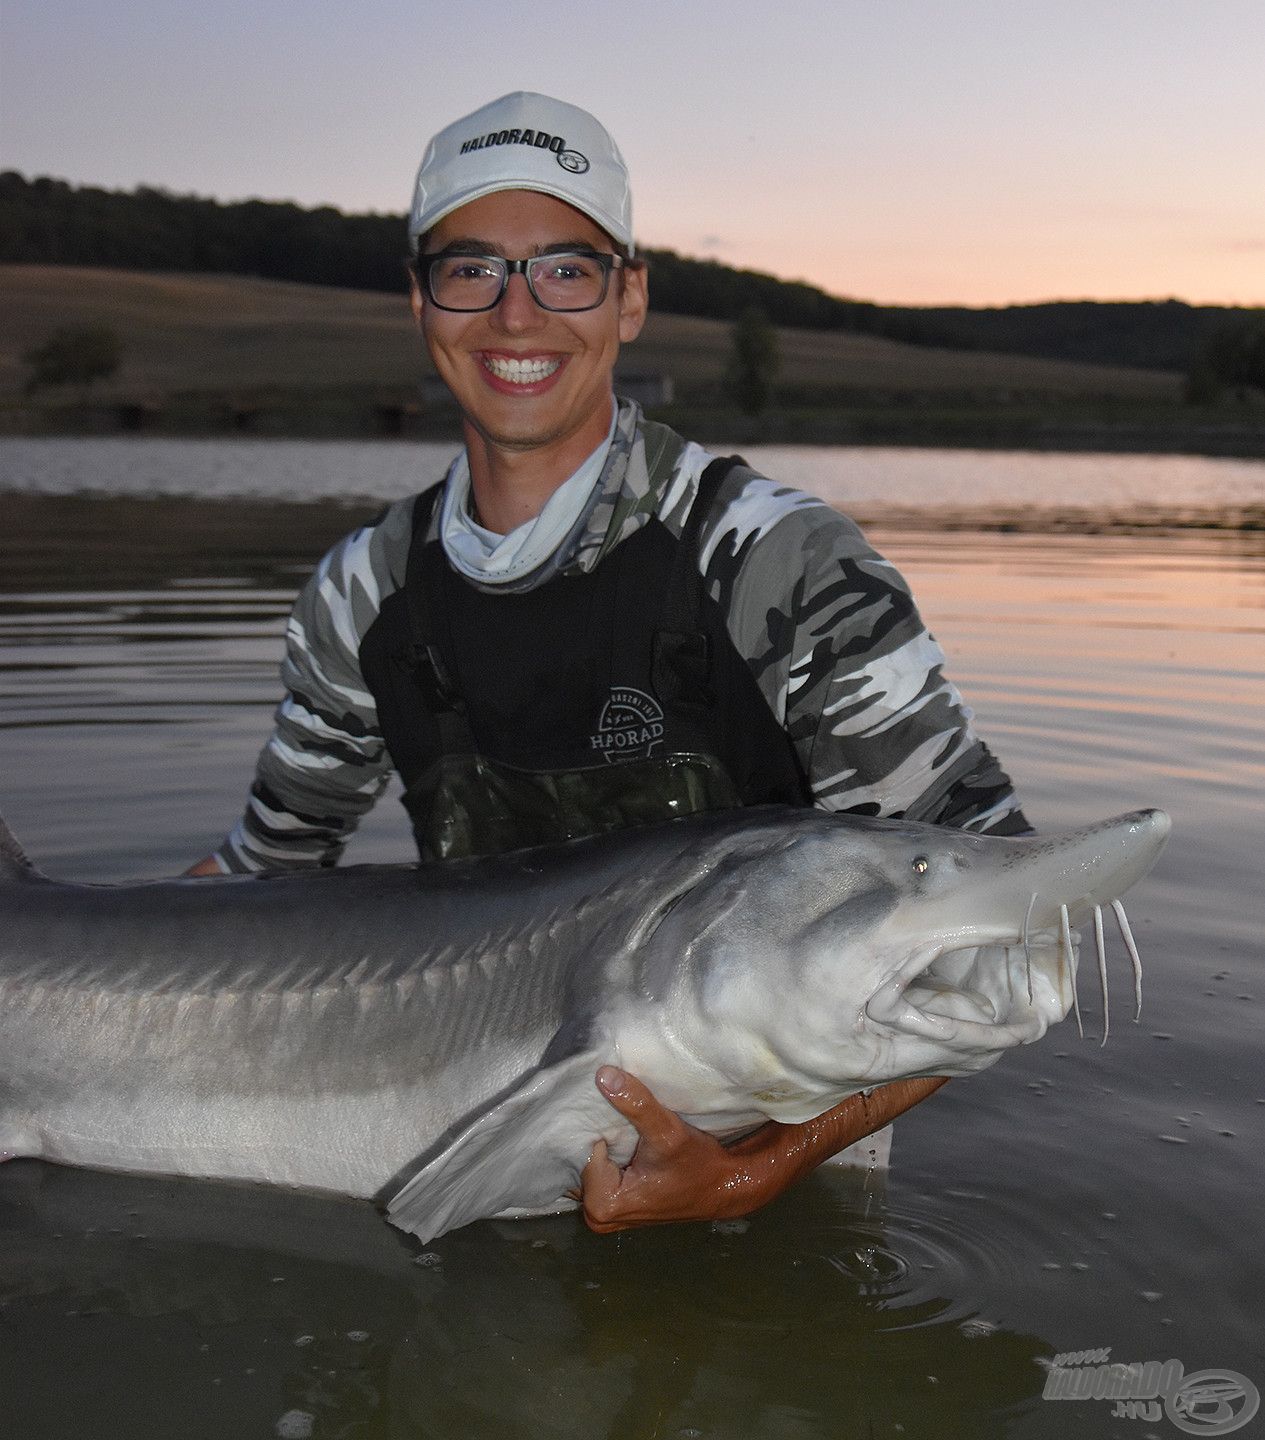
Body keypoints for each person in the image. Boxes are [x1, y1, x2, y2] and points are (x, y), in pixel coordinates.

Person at [188, 91, 1029, 1231]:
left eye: (565, 270)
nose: (516, 316)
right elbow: (263, 884)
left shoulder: (771, 559)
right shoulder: (362, 594)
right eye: (471, 268)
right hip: (472, 1144)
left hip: (787, 1160)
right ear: (420, 301)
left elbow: (1006, 922)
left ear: (628, 298)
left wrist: (759, 1171)